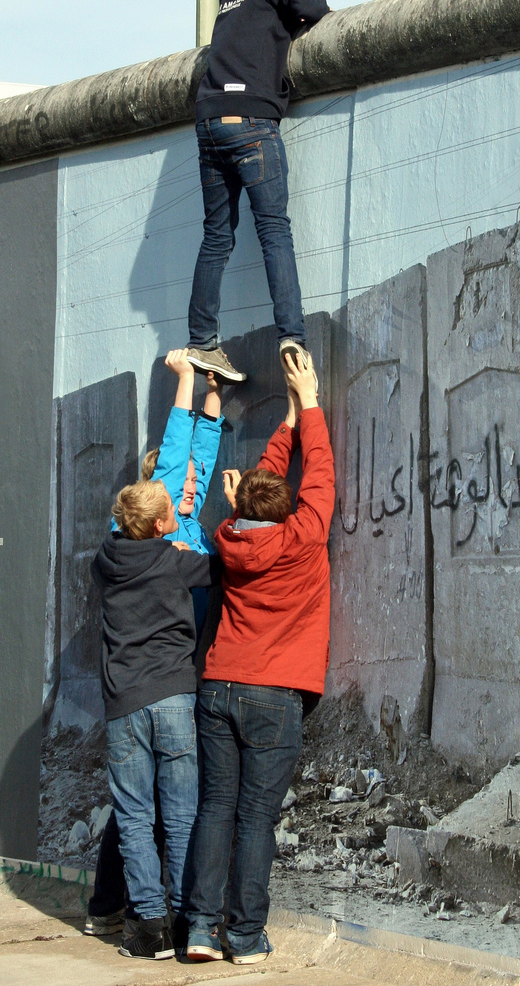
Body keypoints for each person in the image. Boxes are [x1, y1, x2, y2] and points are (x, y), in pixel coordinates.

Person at [185, 351, 335, 964]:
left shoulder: (229, 536)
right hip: (275, 696)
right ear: (286, 508)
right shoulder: (304, 536)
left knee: (216, 809)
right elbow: (319, 474)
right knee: (254, 819)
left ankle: (198, 929)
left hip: (218, 686)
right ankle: (243, 937)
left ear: (240, 503)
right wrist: (313, 402)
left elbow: (268, 477)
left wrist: (293, 417)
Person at [85, 350, 225, 944]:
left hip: (143, 697)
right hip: (167, 695)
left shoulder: (112, 557)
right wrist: (187, 379)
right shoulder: (177, 558)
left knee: (150, 815)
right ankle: (135, 908)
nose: (190, 486)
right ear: (159, 509)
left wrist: (213, 393)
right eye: (177, 489)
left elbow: (197, 453)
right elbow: (175, 457)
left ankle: (150, 919)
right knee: (143, 817)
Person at [186, 0, 331, 384]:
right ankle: (292, 336)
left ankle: (203, 342)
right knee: (273, 230)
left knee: (216, 236)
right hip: (250, 121)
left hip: (209, 121)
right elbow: (315, 8)